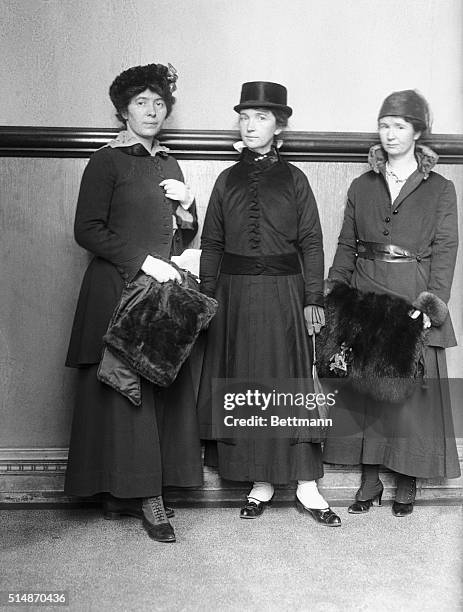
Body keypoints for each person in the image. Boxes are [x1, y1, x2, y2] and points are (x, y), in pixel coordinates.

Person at [64, 63, 203, 543]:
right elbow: (86, 230)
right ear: (123, 110)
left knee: (154, 391)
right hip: (116, 289)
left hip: (159, 293)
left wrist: (188, 210)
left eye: (159, 103)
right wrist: (143, 261)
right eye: (142, 102)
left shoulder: (170, 163)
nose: (152, 111)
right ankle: (136, 496)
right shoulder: (105, 161)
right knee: (123, 393)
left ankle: (138, 490)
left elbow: (178, 233)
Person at [197, 81, 341, 526]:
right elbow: (213, 241)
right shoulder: (226, 180)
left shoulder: (295, 179)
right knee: (245, 380)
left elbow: (313, 243)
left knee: (290, 381)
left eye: (261, 117)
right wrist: (206, 295)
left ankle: (305, 485)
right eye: (244, 117)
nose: (251, 124)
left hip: (285, 294)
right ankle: (259, 480)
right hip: (234, 296)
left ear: (279, 127)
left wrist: (312, 298)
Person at [323, 89, 460, 516]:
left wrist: (430, 304)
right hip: (365, 291)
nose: (390, 134)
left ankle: (407, 481)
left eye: (400, 126)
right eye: (384, 125)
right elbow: (347, 244)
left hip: (411, 291)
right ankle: (369, 482)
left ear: (418, 132)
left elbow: (445, 249)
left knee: (410, 393)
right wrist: (335, 294)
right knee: (365, 390)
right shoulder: (361, 185)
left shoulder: (440, 189)